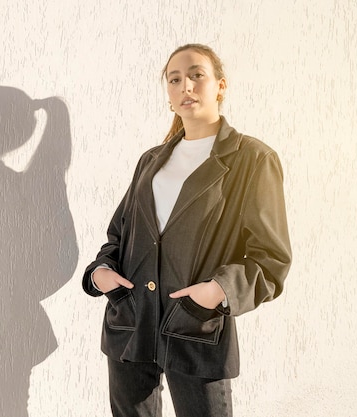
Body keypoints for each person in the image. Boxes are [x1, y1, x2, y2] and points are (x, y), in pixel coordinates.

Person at [82, 44, 292, 417]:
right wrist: (100, 274)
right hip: (131, 324)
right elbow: (118, 235)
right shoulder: (151, 160)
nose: (185, 86)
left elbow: (270, 259)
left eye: (197, 75)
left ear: (220, 86)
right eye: (175, 79)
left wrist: (218, 291)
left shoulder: (252, 159)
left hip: (194, 327)